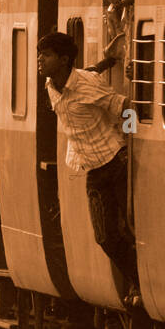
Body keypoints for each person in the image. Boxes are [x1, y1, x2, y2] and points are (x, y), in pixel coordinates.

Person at [39, 31, 142, 310]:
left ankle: (141, 286)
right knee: (105, 237)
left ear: (62, 60)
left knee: (133, 227)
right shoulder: (52, 86)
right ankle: (137, 279)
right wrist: (106, 62)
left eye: (45, 55)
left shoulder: (87, 83)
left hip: (116, 161)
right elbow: (89, 71)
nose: (40, 60)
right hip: (93, 169)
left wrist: (133, 144)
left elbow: (121, 106)